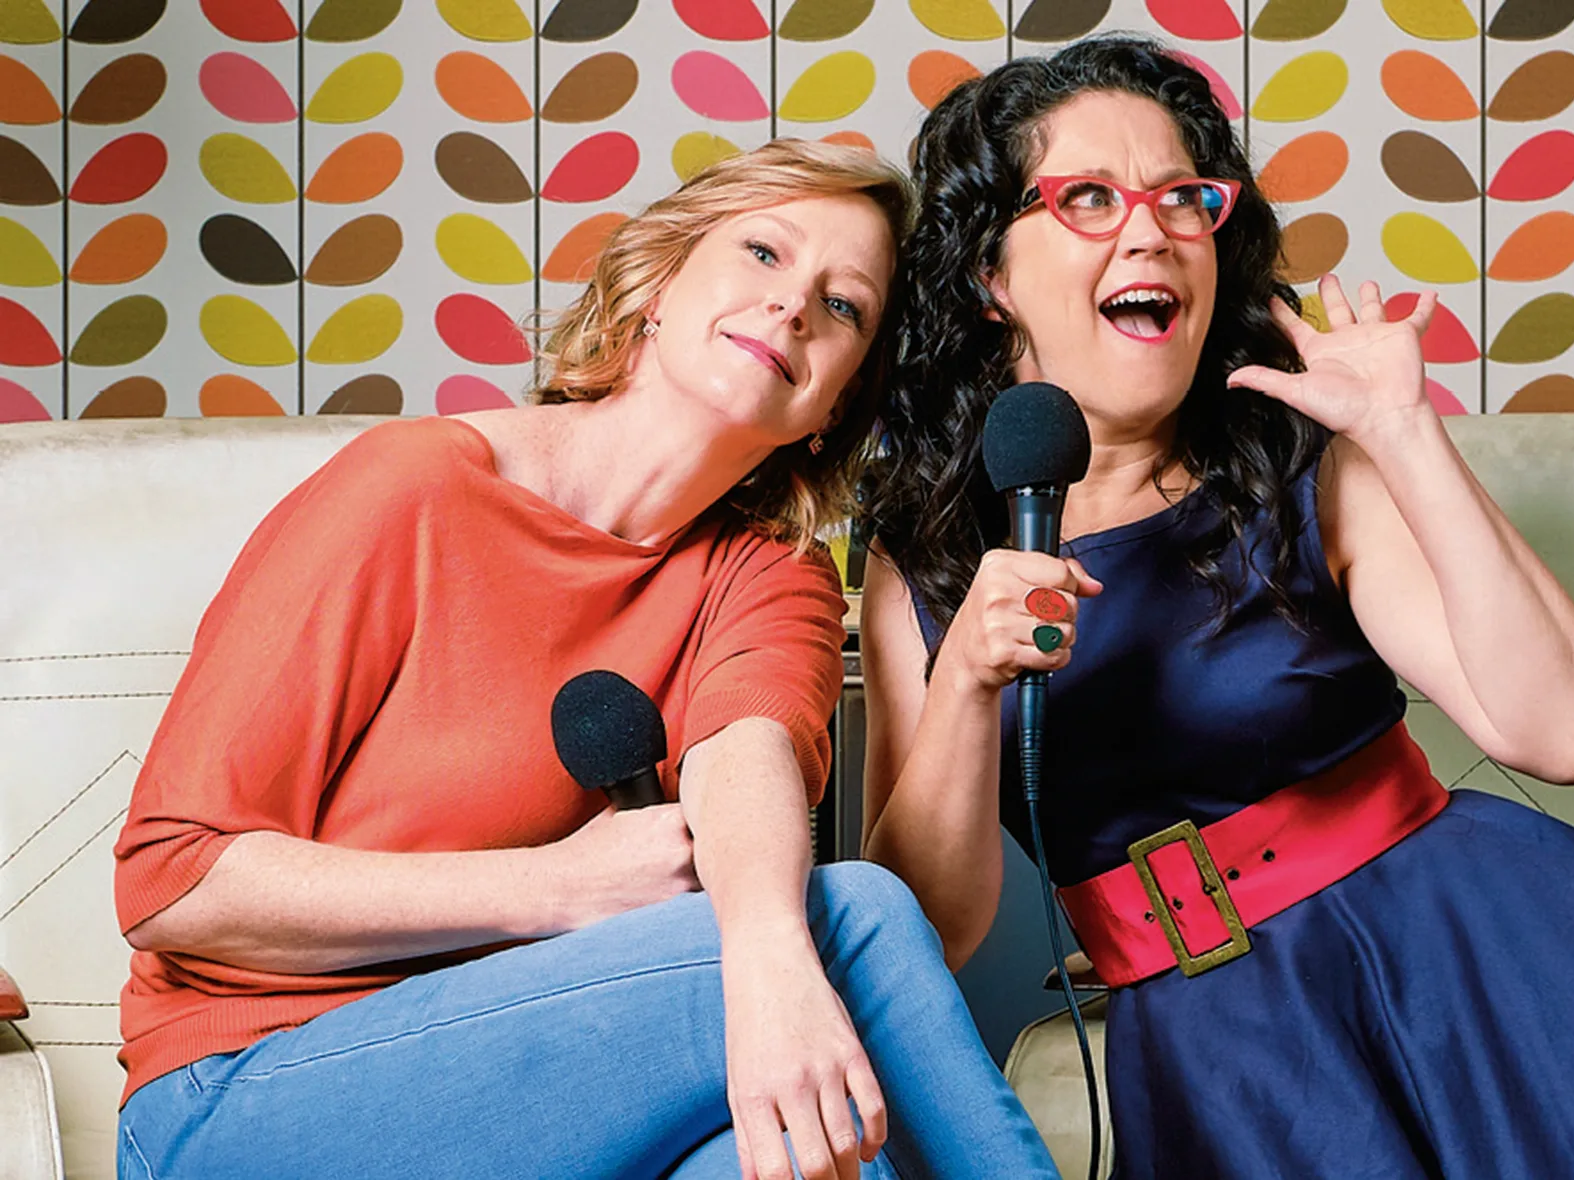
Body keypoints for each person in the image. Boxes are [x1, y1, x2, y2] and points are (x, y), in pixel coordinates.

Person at [859, 36, 1574, 1179]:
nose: (1150, 227)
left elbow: (1563, 735)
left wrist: (1406, 434)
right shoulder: (924, 556)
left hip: (1474, 949)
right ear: (990, 272)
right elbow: (932, 929)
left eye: (1184, 196)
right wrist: (967, 677)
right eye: (1088, 197)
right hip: (1216, 1044)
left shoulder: (1298, 466)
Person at [113, 139, 1058, 1180]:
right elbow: (172, 881)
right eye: (761, 252)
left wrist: (770, 959)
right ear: (655, 285)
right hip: (246, 1095)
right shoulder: (413, 491)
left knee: (803, 1157)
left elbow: (746, 758)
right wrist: (548, 887)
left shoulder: (773, 573)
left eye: (844, 308)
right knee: (861, 918)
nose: (794, 306)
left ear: (835, 404)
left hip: (564, 1095)